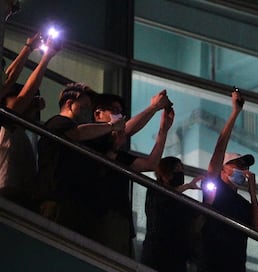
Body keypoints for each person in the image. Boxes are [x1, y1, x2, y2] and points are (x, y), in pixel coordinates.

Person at [196, 89, 258, 272]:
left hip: (235, 267)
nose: (243, 170)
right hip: (212, 260)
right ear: (224, 169)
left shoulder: (244, 204)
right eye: (238, 165)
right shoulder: (215, 187)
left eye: (245, 167)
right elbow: (219, 148)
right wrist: (235, 113)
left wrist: (253, 193)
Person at [85, 92, 174, 256]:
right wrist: (153, 107)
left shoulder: (116, 151)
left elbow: (151, 164)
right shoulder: (89, 139)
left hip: (120, 219)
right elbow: (125, 130)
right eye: (113, 110)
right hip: (99, 216)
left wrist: (163, 130)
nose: (119, 116)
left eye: (120, 112)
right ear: (97, 114)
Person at [36, 83, 126, 234]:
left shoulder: (85, 135)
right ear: (70, 104)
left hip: (74, 204)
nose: (87, 113)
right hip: (56, 201)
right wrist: (111, 126)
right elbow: (77, 133)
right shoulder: (59, 122)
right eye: (84, 107)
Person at [0, 32, 57, 207]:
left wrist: (29, 48)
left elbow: (8, 82)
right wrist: (43, 56)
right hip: (7, 193)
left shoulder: (18, 132)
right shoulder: (5, 122)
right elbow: (15, 91)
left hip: (19, 193)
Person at [141, 156, 201, 272]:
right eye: (176, 170)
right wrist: (188, 186)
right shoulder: (154, 191)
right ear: (165, 173)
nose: (180, 174)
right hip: (157, 256)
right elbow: (164, 198)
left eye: (181, 171)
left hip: (177, 259)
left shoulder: (181, 202)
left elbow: (197, 218)